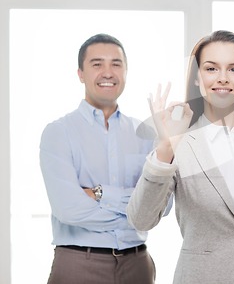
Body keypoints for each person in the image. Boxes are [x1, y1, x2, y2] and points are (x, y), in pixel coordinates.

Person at [127, 30, 234, 283]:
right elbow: (141, 219)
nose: (223, 78)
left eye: (233, 69)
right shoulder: (179, 145)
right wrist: (166, 148)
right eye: (211, 69)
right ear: (197, 78)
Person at [40, 33, 166, 284]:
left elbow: (160, 207)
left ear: (126, 72)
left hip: (138, 265)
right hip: (79, 265)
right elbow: (69, 209)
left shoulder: (146, 134)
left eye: (116, 64)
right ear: (80, 74)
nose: (108, 72)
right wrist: (135, 208)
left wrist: (99, 194)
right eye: (97, 64)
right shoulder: (59, 132)